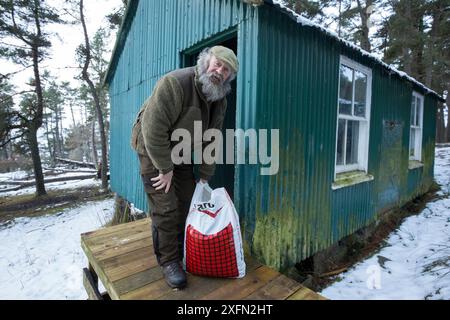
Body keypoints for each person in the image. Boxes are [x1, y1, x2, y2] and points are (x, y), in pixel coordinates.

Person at [130, 46, 239, 289]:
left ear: (229, 76)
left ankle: (180, 248)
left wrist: (204, 176)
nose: (219, 71)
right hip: (151, 147)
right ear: (206, 60)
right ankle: (169, 261)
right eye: (217, 63)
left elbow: (212, 138)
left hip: (180, 148)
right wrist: (165, 168)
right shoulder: (175, 83)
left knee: (189, 200)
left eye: (226, 69)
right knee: (166, 206)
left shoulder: (220, 98)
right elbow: (152, 129)